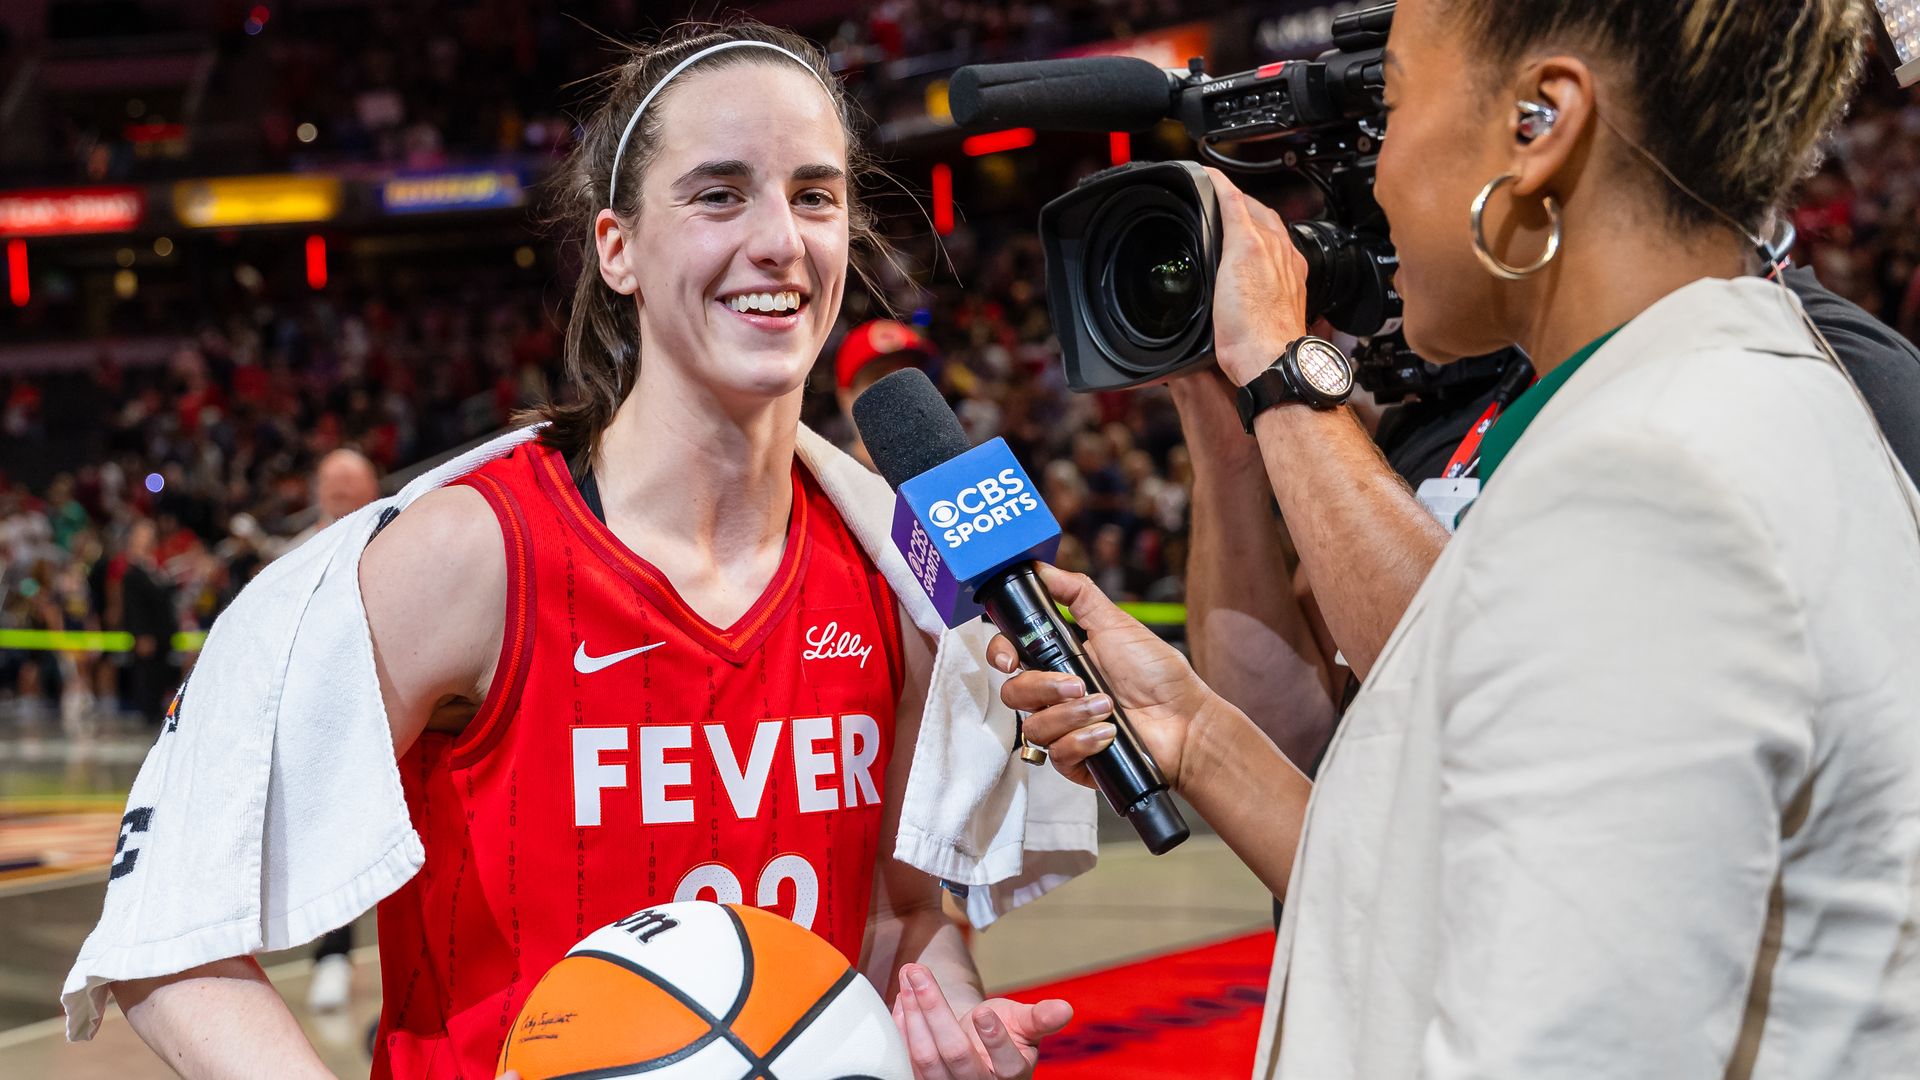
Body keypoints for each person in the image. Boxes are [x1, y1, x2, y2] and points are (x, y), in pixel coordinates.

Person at [66, 23, 1087, 1080]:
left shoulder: (895, 568)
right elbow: (169, 925)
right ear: (618, 248)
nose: (781, 238)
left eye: (815, 194)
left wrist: (950, 1018)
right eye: (720, 194)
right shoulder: (475, 555)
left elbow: (903, 919)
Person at [1001, 0, 1920, 1075]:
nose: (1374, 179)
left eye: (1390, 105)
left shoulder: (1657, 478)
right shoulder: (1688, 406)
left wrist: (1283, 365)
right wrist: (1195, 733)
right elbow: (1439, 900)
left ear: (1541, 126)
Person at [835, 318, 937, 469]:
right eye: (879, 378)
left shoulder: (950, 467)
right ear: (845, 398)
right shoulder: (828, 483)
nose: (899, 391)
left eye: (909, 375)